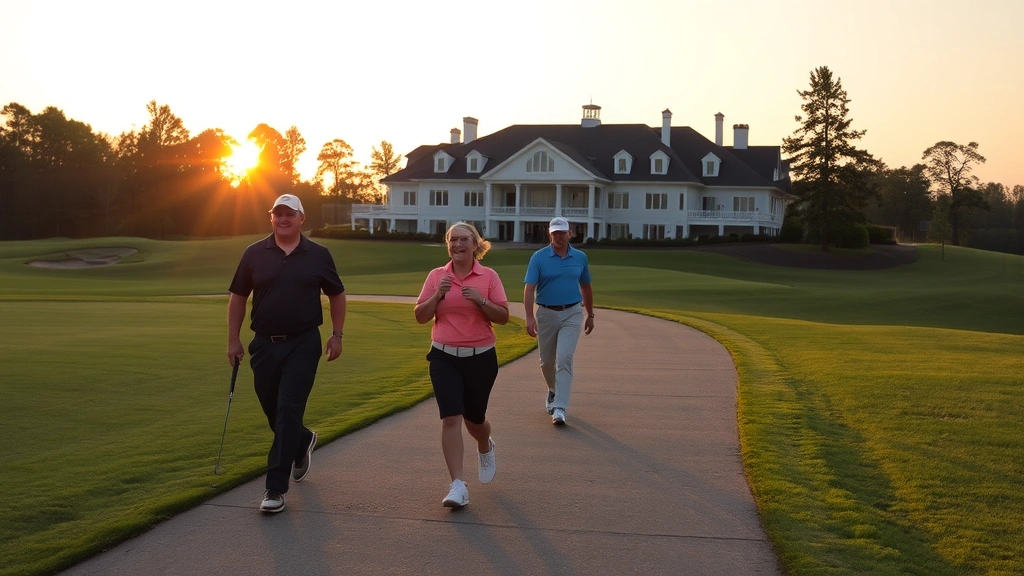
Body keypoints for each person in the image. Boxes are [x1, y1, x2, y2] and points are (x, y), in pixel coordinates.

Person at [226, 193, 347, 514]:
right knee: (272, 409)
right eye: (278, 214)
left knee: (287, 410)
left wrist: (337, 335)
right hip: (263, 344)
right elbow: (238, 297)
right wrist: (233, 340)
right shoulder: (254, 253)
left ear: (301, 218)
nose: (283, 219)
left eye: (289, 214)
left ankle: (274, 489)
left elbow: (337, 294)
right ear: (271, 217)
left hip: (303, 343)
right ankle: (302, 439)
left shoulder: (318, 254)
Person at [414, 222, 509, 508]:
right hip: (443, 356)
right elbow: (420, 316)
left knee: (474, 420)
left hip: (481, 357)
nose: (457, 245)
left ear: (475, 244)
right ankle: (458, 485)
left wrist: (481, 301)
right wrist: (437, 295)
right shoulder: (436, 277)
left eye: (463, 240)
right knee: (451, 418)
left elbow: (503, 316)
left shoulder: (488, 276)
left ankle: (485, 444)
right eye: (452, 240)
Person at [523, 216, 595, 426]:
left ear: (569, 233)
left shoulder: (580, 257)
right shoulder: (538, 257)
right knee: (547, 362)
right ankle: (553, 390)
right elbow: (529, 289)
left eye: (562, 233)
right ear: (550, 234)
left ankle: (560, 407)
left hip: (572, 312)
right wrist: (528, 317)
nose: (559, 237)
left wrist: (590, 315)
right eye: (555, 233)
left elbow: (586, 287)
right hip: (546, 314)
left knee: (564, 358)